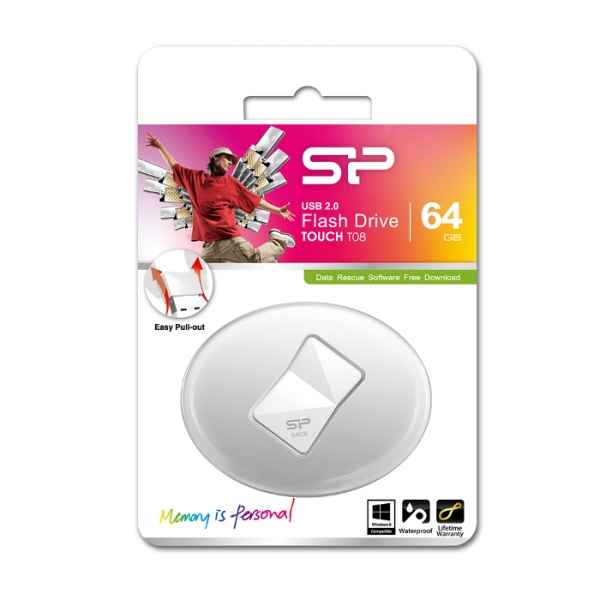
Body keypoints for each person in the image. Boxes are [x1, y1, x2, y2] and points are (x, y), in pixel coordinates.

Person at [144, 133, 296, 263]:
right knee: (208, 275)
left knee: (254, 259)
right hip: (209, 246)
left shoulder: (230, 183)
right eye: (227, 159)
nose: (230, 163)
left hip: (229, 240)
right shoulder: (195, 179)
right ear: (215, 158)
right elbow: (174, 166)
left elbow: (254, 200)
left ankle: (277, 240)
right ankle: (271, 261)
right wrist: (160, 147)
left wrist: (277, 210)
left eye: (231, 161)